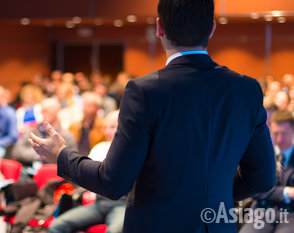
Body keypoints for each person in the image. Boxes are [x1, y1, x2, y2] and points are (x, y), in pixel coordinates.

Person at [30, 0, 276, 232]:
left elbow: (113, 182)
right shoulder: (246, 89)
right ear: (212, 29)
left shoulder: (145, 91)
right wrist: (210, 196)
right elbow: (263, 179)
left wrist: (62, 156)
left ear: (159, 27)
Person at [49, 111, 126, 233]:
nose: (107, 132)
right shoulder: (100, 147)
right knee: (57, 226)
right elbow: (85, 174)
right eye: (105, 127)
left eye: (112, 127)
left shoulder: (129, 151)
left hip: (121, 204)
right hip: (99, 203)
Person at [240, 110, 294, 233]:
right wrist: (286, 192)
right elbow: (254, 188)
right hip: (262, 211)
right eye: (275, 134)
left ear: (293, 131)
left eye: (284, 133)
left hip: (291, 214)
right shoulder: (262, 153)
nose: (279, 139)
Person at [12, 98, 77, 166]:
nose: (43, 113)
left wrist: (50, 154)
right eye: (43, 110)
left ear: (57, 110)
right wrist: (39, 153)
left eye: (48, 110)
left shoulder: (67, 136)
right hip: (30, 171)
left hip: (55, 173)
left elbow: (71, 160)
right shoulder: (32, 132)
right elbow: (17, 152)